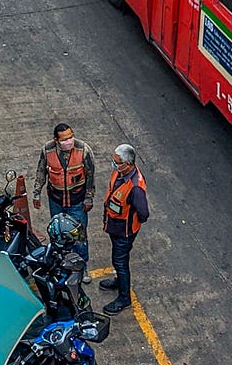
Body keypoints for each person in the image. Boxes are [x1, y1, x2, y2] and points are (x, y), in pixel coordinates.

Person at [32, 122, 96, 259]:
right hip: (56, 201)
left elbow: (90, 175)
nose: (69, 141)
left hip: (77, 202)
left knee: (79, 236)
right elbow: (41, 172)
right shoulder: (47, 150)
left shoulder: (83, 150)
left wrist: (89, 198)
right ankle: (60, 262)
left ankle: (81, 265)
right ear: (56, 140)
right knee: (58, 233)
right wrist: (36, 194)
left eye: (71, 137)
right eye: (64, 139)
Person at [99, 144, 149, 313]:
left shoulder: (135, 187)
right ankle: (119, 281)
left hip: (124, 231)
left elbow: (143, 213)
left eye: (117, 162)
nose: (114, 164)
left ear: (128, 163)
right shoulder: (122, 173)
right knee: (118, 260)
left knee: (120, 262)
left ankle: (124, 297)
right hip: (115, 226)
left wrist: (130, 221)